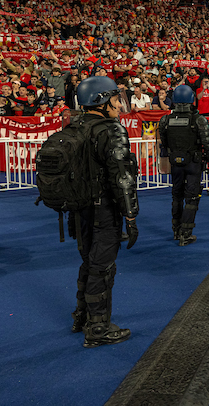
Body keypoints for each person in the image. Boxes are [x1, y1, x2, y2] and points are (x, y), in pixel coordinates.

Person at [68, 76, 140, 348]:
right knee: (102, 267)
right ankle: (98, 327)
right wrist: (130, 215)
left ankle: (82, 317)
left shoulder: (74, 126)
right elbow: (122, 178)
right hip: (104, 210)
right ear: (101, 100)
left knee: (88, 261)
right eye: (115, 100)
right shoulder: (111, 130)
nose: (120, 106)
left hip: (79, 209)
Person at [157, 85, 209, 246]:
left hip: (175, 163)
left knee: (176, 196)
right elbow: (208, 144)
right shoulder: (199, 120)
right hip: (193, 164)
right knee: (191, 197)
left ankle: (176, 230)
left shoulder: (166, 120)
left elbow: (164, 140)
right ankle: (186, 233)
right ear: (191, 99)